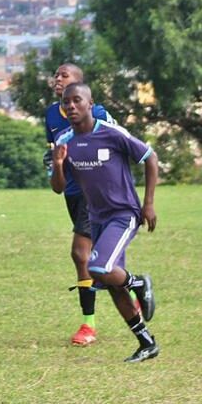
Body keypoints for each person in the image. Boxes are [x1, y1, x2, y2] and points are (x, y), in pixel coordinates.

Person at [51, 83, 159, 363]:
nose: (71, 106)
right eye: (66, 102)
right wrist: (59, 165)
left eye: (77, 100)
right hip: (96, 217)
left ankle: (139, 282)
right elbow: (58, 188)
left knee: (97, 267)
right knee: (110, 283)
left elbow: (150, 158)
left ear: (90, 103)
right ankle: (146, 343)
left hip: (123, 213)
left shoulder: (112, 133)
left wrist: (148, 204)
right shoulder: (64, 141)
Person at [44, 63, 119, 346]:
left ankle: (88, 326)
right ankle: (134, 288)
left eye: (64, 75)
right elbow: (54, 151)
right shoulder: (51, 114)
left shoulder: (97, 113)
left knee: (80, 254)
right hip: (73, 192)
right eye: (56, 75)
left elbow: (120, 144)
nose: (57, 79)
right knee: (98, 258)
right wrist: (54, 165)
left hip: (96, 191)